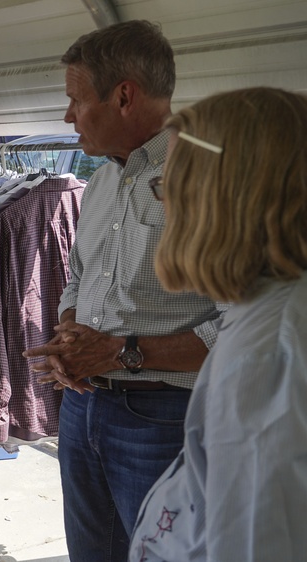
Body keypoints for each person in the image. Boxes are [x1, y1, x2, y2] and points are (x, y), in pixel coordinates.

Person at [22, 20, 225, 561]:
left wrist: (120, 351)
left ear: (124, 96)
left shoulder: (208, 177)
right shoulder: (104, 178)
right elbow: (79, 276)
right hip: (84, 405)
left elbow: (243, 327)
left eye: (75, 99)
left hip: (163, 417)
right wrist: (69, 336)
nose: (67, 116)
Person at [128, 87, 307, 561]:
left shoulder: (268, 352)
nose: (164, 203)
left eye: (170, 185)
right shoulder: (272, 313)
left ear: (222, 195)